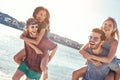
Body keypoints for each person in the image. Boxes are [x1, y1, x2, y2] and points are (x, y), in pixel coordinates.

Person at [13, 6, 57, 80]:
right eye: (40, 14)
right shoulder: (32, 22)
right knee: (16, 58)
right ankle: (27, 69)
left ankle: (41, 70)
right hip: (32, 46)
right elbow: (23, 36)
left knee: (42, 67)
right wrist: (25, 39)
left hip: (42, 49)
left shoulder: (43, 25)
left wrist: (49, 58)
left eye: (44, 15)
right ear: (36, 14)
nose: (42, 16)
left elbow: (37, 42)